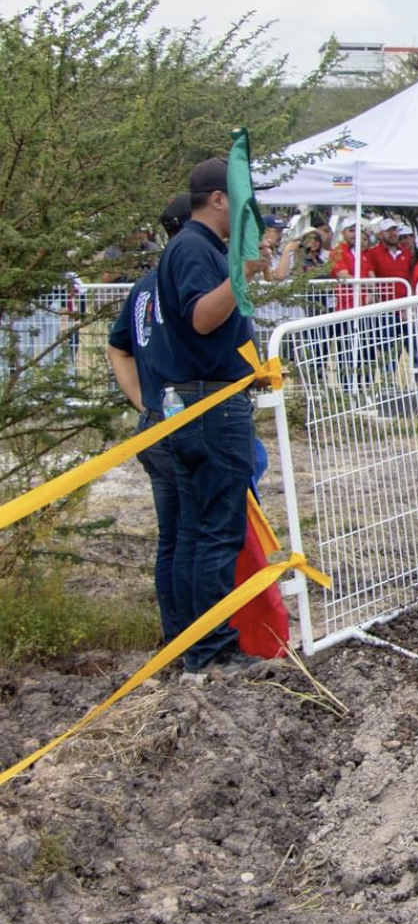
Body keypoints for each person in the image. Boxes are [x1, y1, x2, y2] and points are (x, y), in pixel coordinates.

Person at [146, 159, 260, 675]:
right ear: (218, 199)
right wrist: (242, 273)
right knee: (216, 530)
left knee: (197, 531)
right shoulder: (193, 247)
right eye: (240, 197)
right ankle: (212, 650)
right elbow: (201, 315)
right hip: (208, 404)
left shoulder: (192, 247)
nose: (247, 209)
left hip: (194, 402)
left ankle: (198, 647)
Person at [105, 194, 191, 646]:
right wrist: (143, 399)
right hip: (177, 422)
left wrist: (142, 402)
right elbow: (117, 347)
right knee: (191, 535)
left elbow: (116, 345)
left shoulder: (145, 286)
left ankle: (175, 635)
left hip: (156, 421)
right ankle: (193, 638)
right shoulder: (181, 282)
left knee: (171, 536)